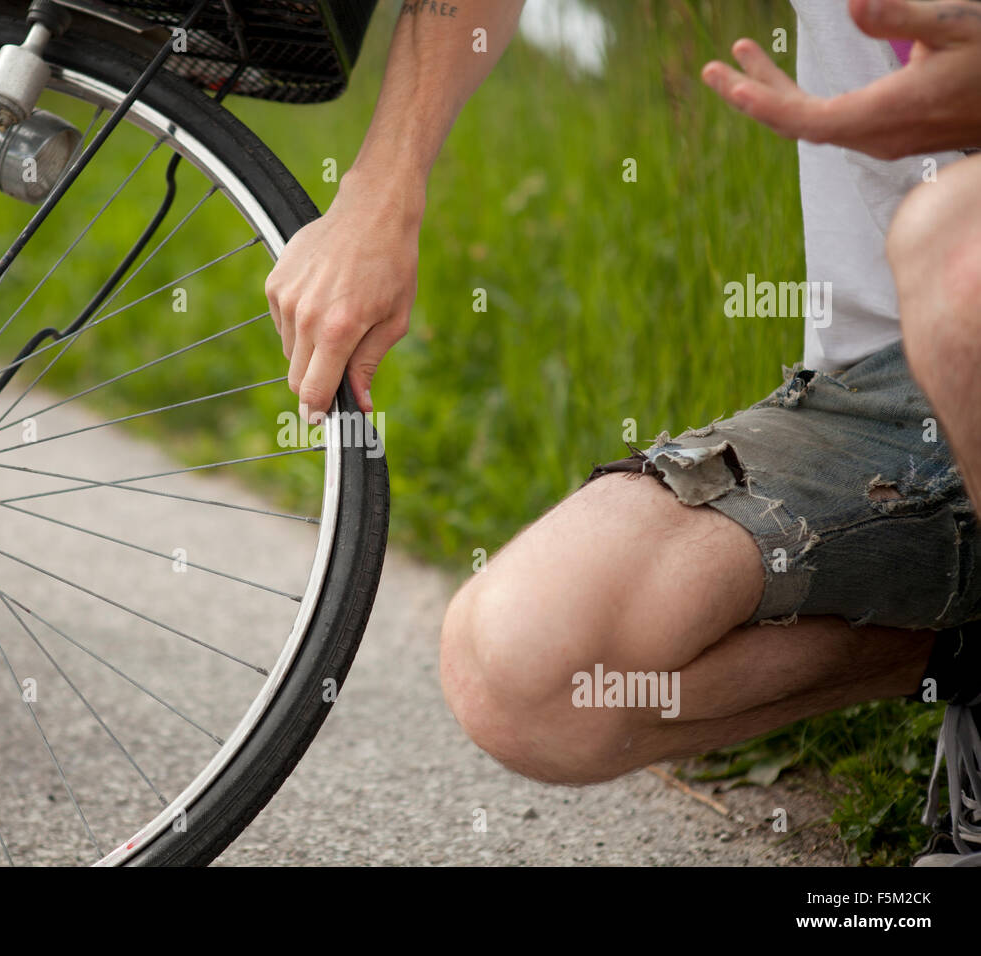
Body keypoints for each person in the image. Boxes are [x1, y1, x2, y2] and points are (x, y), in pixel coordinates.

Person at [263, 0, 981, 863]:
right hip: (884, 391)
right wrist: (382, 188)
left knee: (959, 252)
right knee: (521, 673)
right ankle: (964, 659)